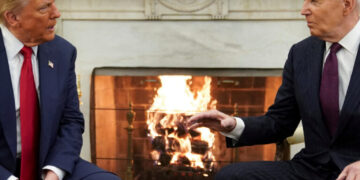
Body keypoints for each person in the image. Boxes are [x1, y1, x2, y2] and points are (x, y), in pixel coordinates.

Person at [187, 0, 360, 179]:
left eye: (315, 2)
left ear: (347, 4)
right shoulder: (301, 53)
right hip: (312, 169)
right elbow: (280, 122)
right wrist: (233, 125)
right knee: (231, 176)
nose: (304, 10)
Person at [0, 0, 120, 179]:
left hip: (48, 161)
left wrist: (54, 171)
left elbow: (71, 121)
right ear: (13, 17)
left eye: (53, 4)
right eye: (44, 8)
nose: (56, 13)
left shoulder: (62, 52)